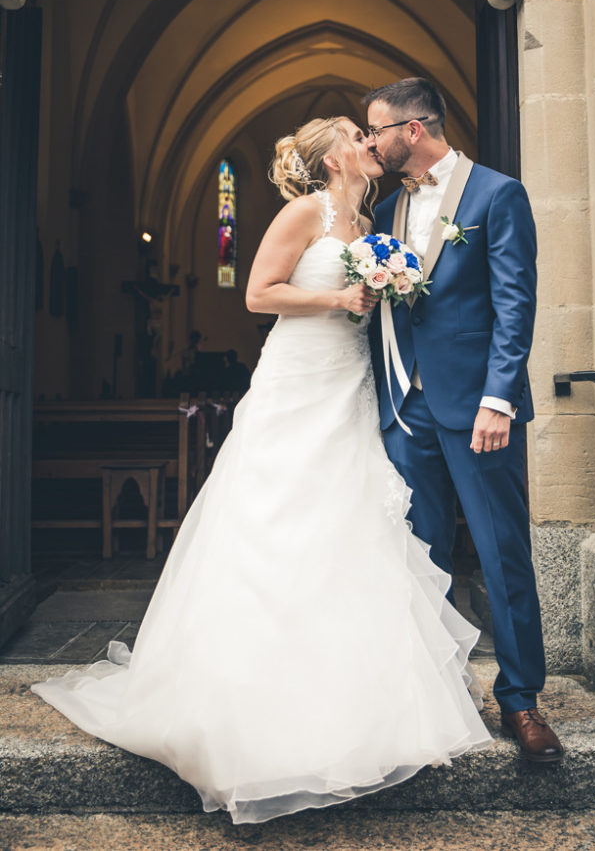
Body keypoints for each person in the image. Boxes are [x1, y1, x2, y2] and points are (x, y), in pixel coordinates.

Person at [31, 116, 492, 826]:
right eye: (353, 133)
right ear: (330, 156)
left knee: (346, 521)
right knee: (275, 516)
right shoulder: (302, 211)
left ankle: (343, 694)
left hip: (350, 381)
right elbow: (257, 293)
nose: (368, 141)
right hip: (297, 378)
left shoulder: (369, 218)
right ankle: (247, 699)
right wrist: (340, 297)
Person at [365, 78, 564, 764]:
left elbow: (515, 305)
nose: (370, 142)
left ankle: (519, 701)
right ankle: (435, 696)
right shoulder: (385, 209)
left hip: (478, 408)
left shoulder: (495, 194)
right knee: (417, 557)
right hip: (404, 408)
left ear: (413, 129)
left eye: (376, 131)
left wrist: (498, 399)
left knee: (499, 548)